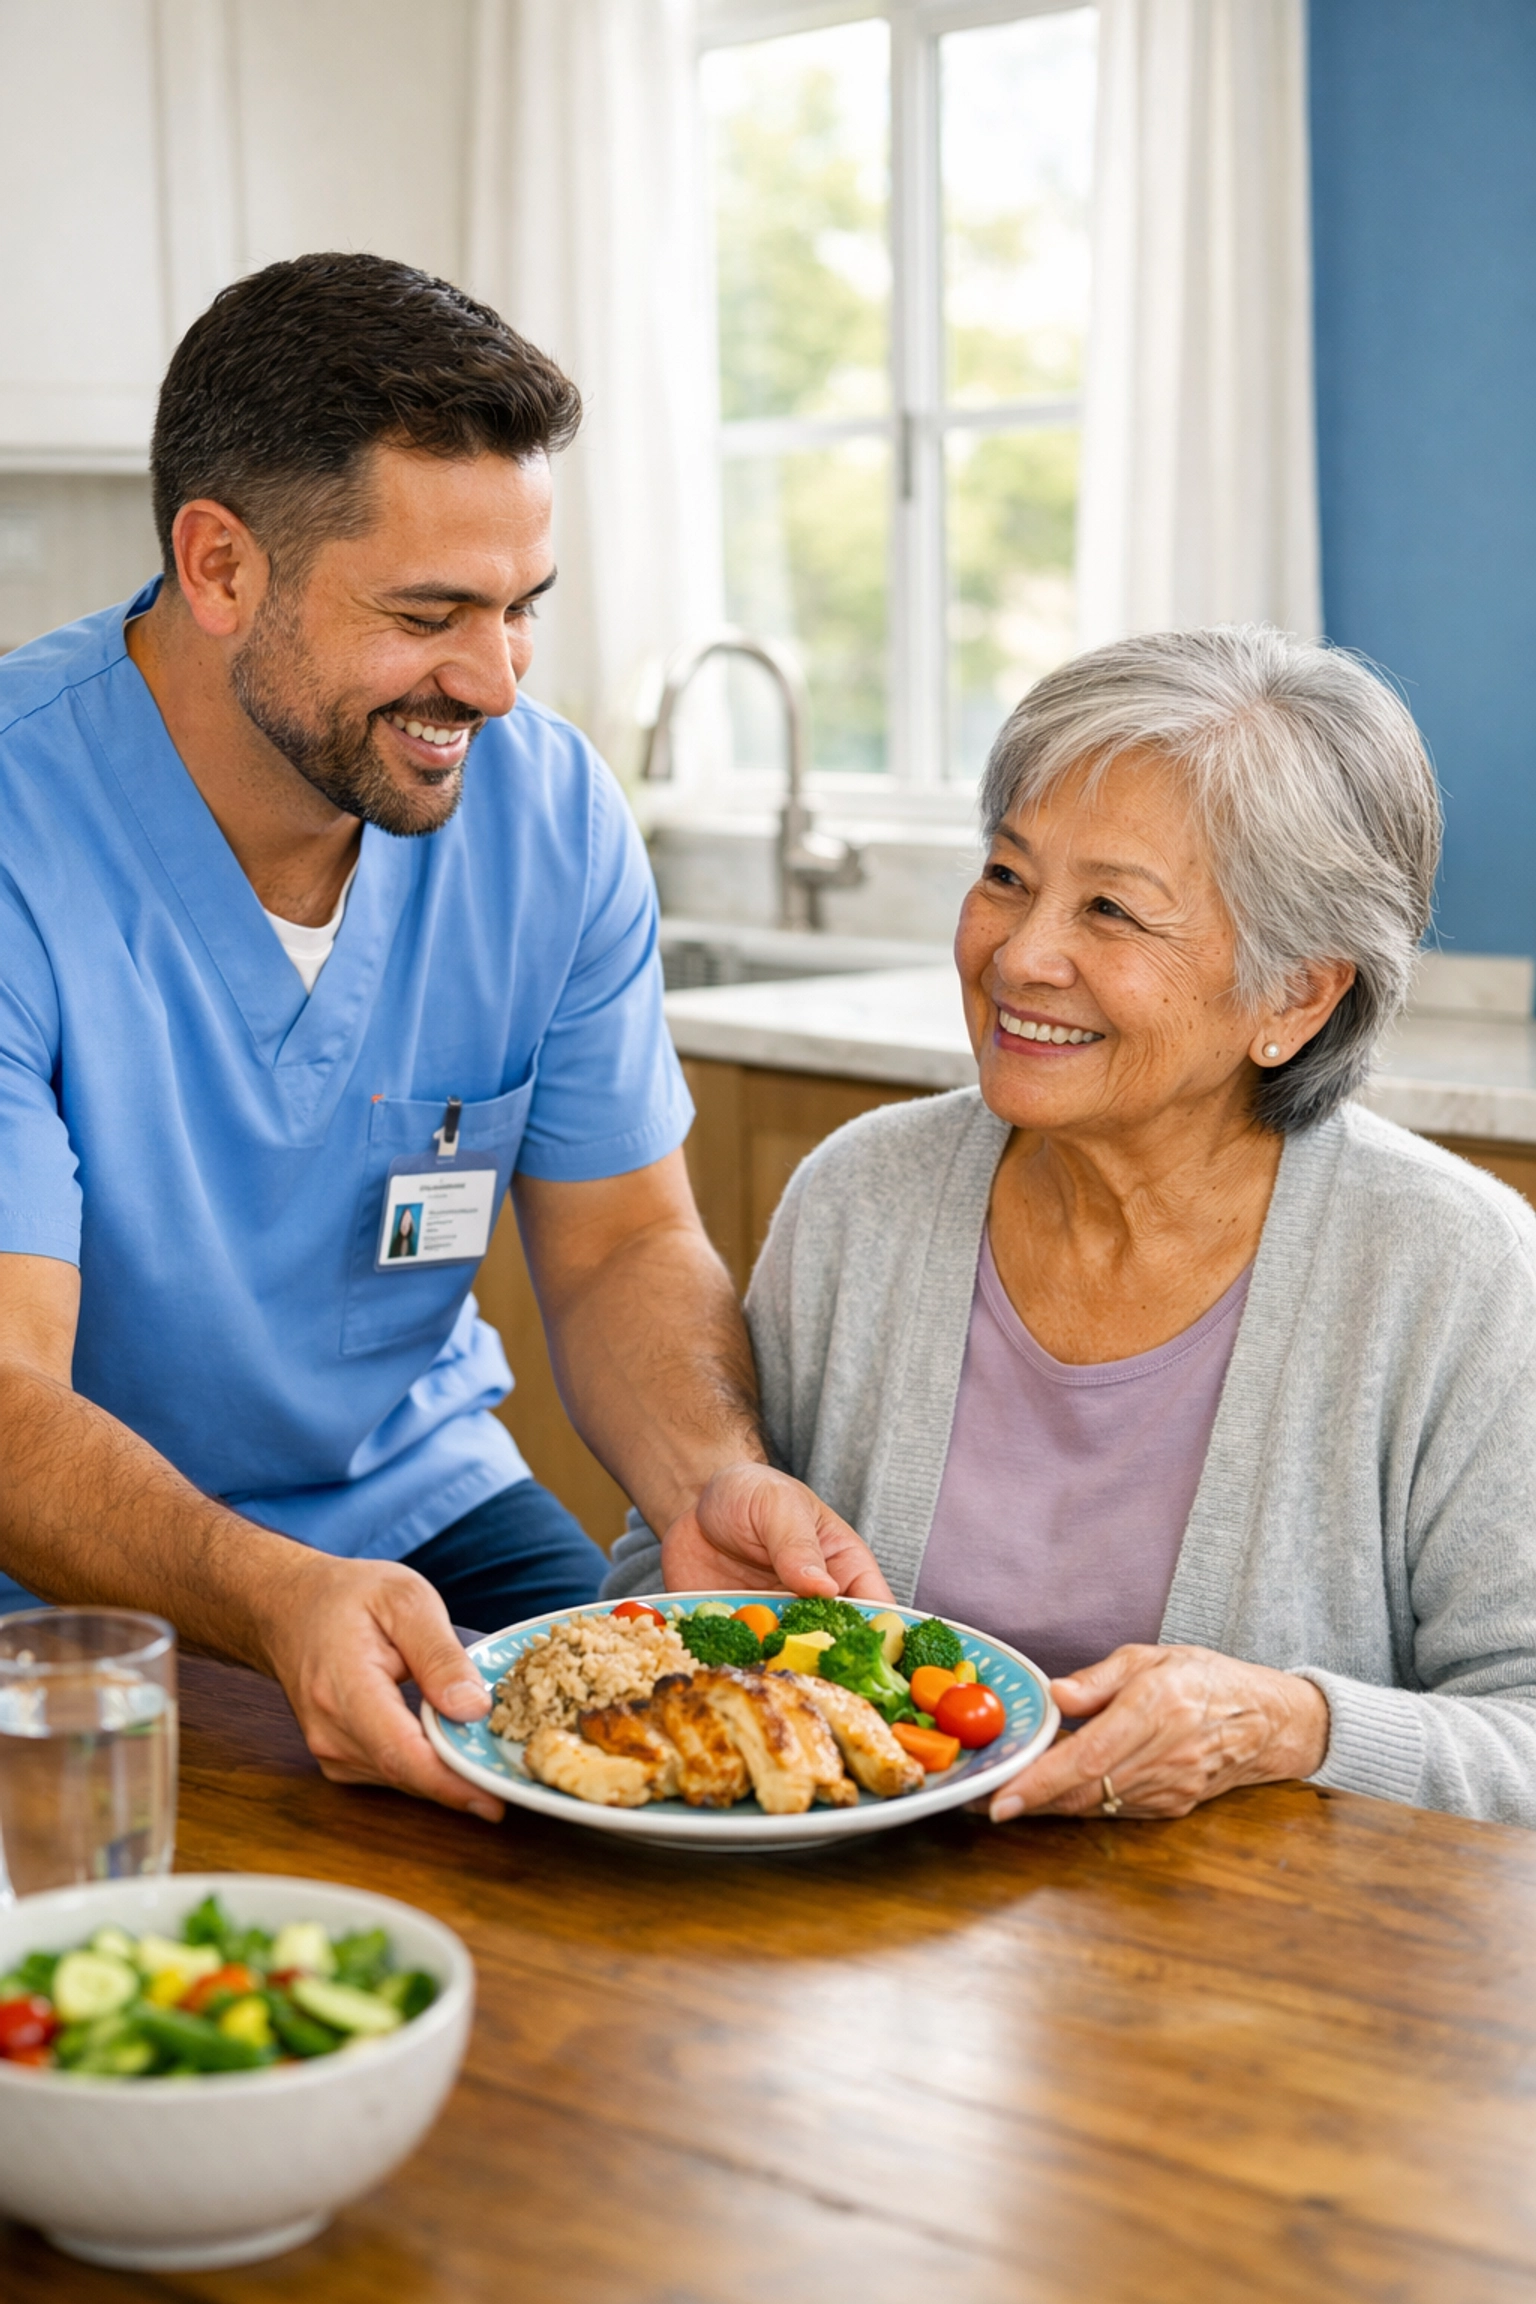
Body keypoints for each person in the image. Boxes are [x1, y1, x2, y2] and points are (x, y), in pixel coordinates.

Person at [0, 253, 883, 1825]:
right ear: (218, 567)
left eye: (522, 609)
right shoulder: (19, 830)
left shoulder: (546, 819)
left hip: (427, 1503)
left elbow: (621, 1246)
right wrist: (273, 1599)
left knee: (681, 1839)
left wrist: (703, 1475)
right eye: (429, 615)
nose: (493, 681)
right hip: (58, 1571)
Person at [608, 624, 1536, 1828]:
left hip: (1262, 1971)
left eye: (1111, 909)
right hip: (858, 1940)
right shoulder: (861, 1197)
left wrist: (1290, 1728)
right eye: (1006, 875)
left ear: (1297, 994)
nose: (1023, 954)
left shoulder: (1452, 1272)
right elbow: (662, 1573)